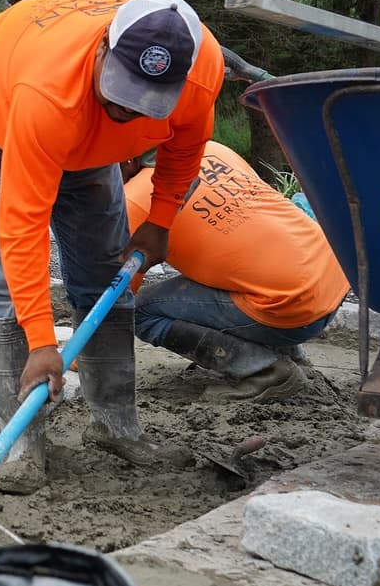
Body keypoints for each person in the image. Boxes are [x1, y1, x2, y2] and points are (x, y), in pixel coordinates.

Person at [0, 0, 225, 493]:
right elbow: (22, 227)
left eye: (144, 99)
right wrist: (41, 342)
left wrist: (160, 220)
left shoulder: (202, 69)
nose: (127, 110)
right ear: (102, 49)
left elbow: (186, 147)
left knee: (106, 276)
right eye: (121, 91)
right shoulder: (48, 93)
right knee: (3, 284)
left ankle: (115, 426)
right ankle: (22, 442)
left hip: (79, 132)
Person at [122, 141, 350, 400]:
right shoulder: (211, 150)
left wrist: (81, 357)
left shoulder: (134, 200)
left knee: (140, 312)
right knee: (242, 262)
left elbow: (118, 299)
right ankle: (288, 354)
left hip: (294, 310)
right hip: (334, 276)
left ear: (127, 159)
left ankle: (264, 372)